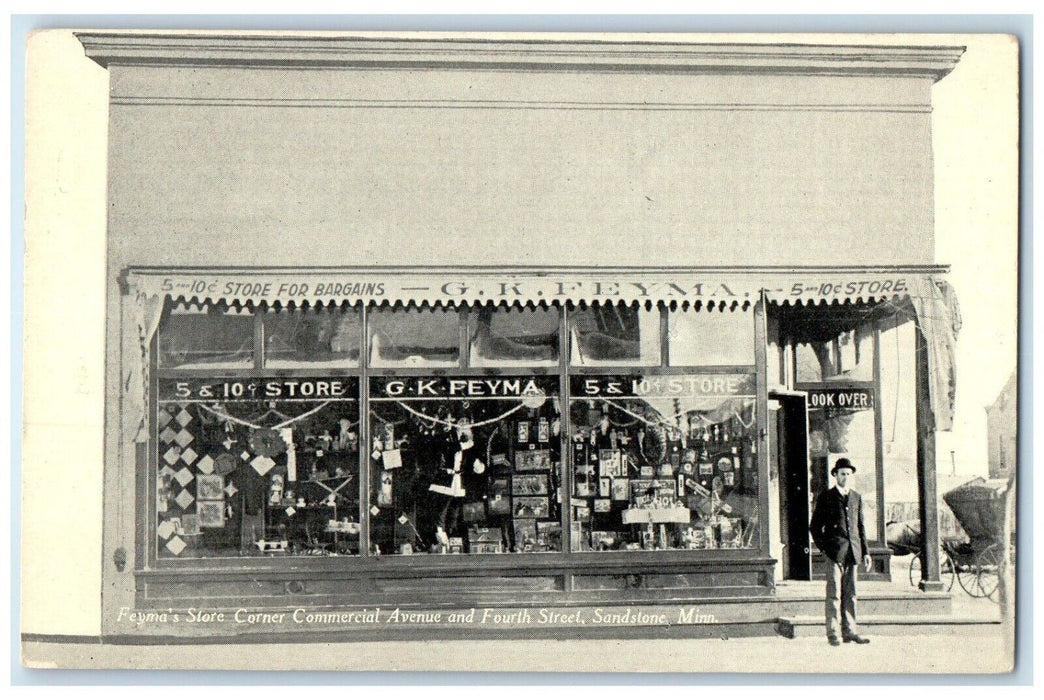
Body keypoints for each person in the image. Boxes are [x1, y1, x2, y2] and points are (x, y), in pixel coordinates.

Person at [809, 458, 872, 646]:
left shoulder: (856, 497)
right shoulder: (826, 497)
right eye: (842, 473)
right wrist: (825, 549)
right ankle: (833, 633)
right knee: (834, 593)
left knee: (851, 594)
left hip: (853, 552)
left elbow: (861, 528)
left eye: (848, 474)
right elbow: (814, 527)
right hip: (834, 553)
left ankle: (851, 631)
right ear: (835, 475)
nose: (845, 477)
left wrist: (866, 552)